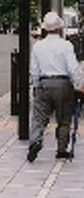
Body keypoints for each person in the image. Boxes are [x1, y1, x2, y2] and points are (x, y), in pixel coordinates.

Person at [27, 11, 83, 162]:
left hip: (44, 84)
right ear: (60, 28)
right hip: (63, 84)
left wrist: (37, 85)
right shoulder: (66, 45)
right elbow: (73, 68)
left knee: (39, 117)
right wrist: (78, 84)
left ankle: (35, 141)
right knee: (64, 119)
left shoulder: (38, 46)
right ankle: (61, 149)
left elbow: (34, 69)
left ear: (45, 28)